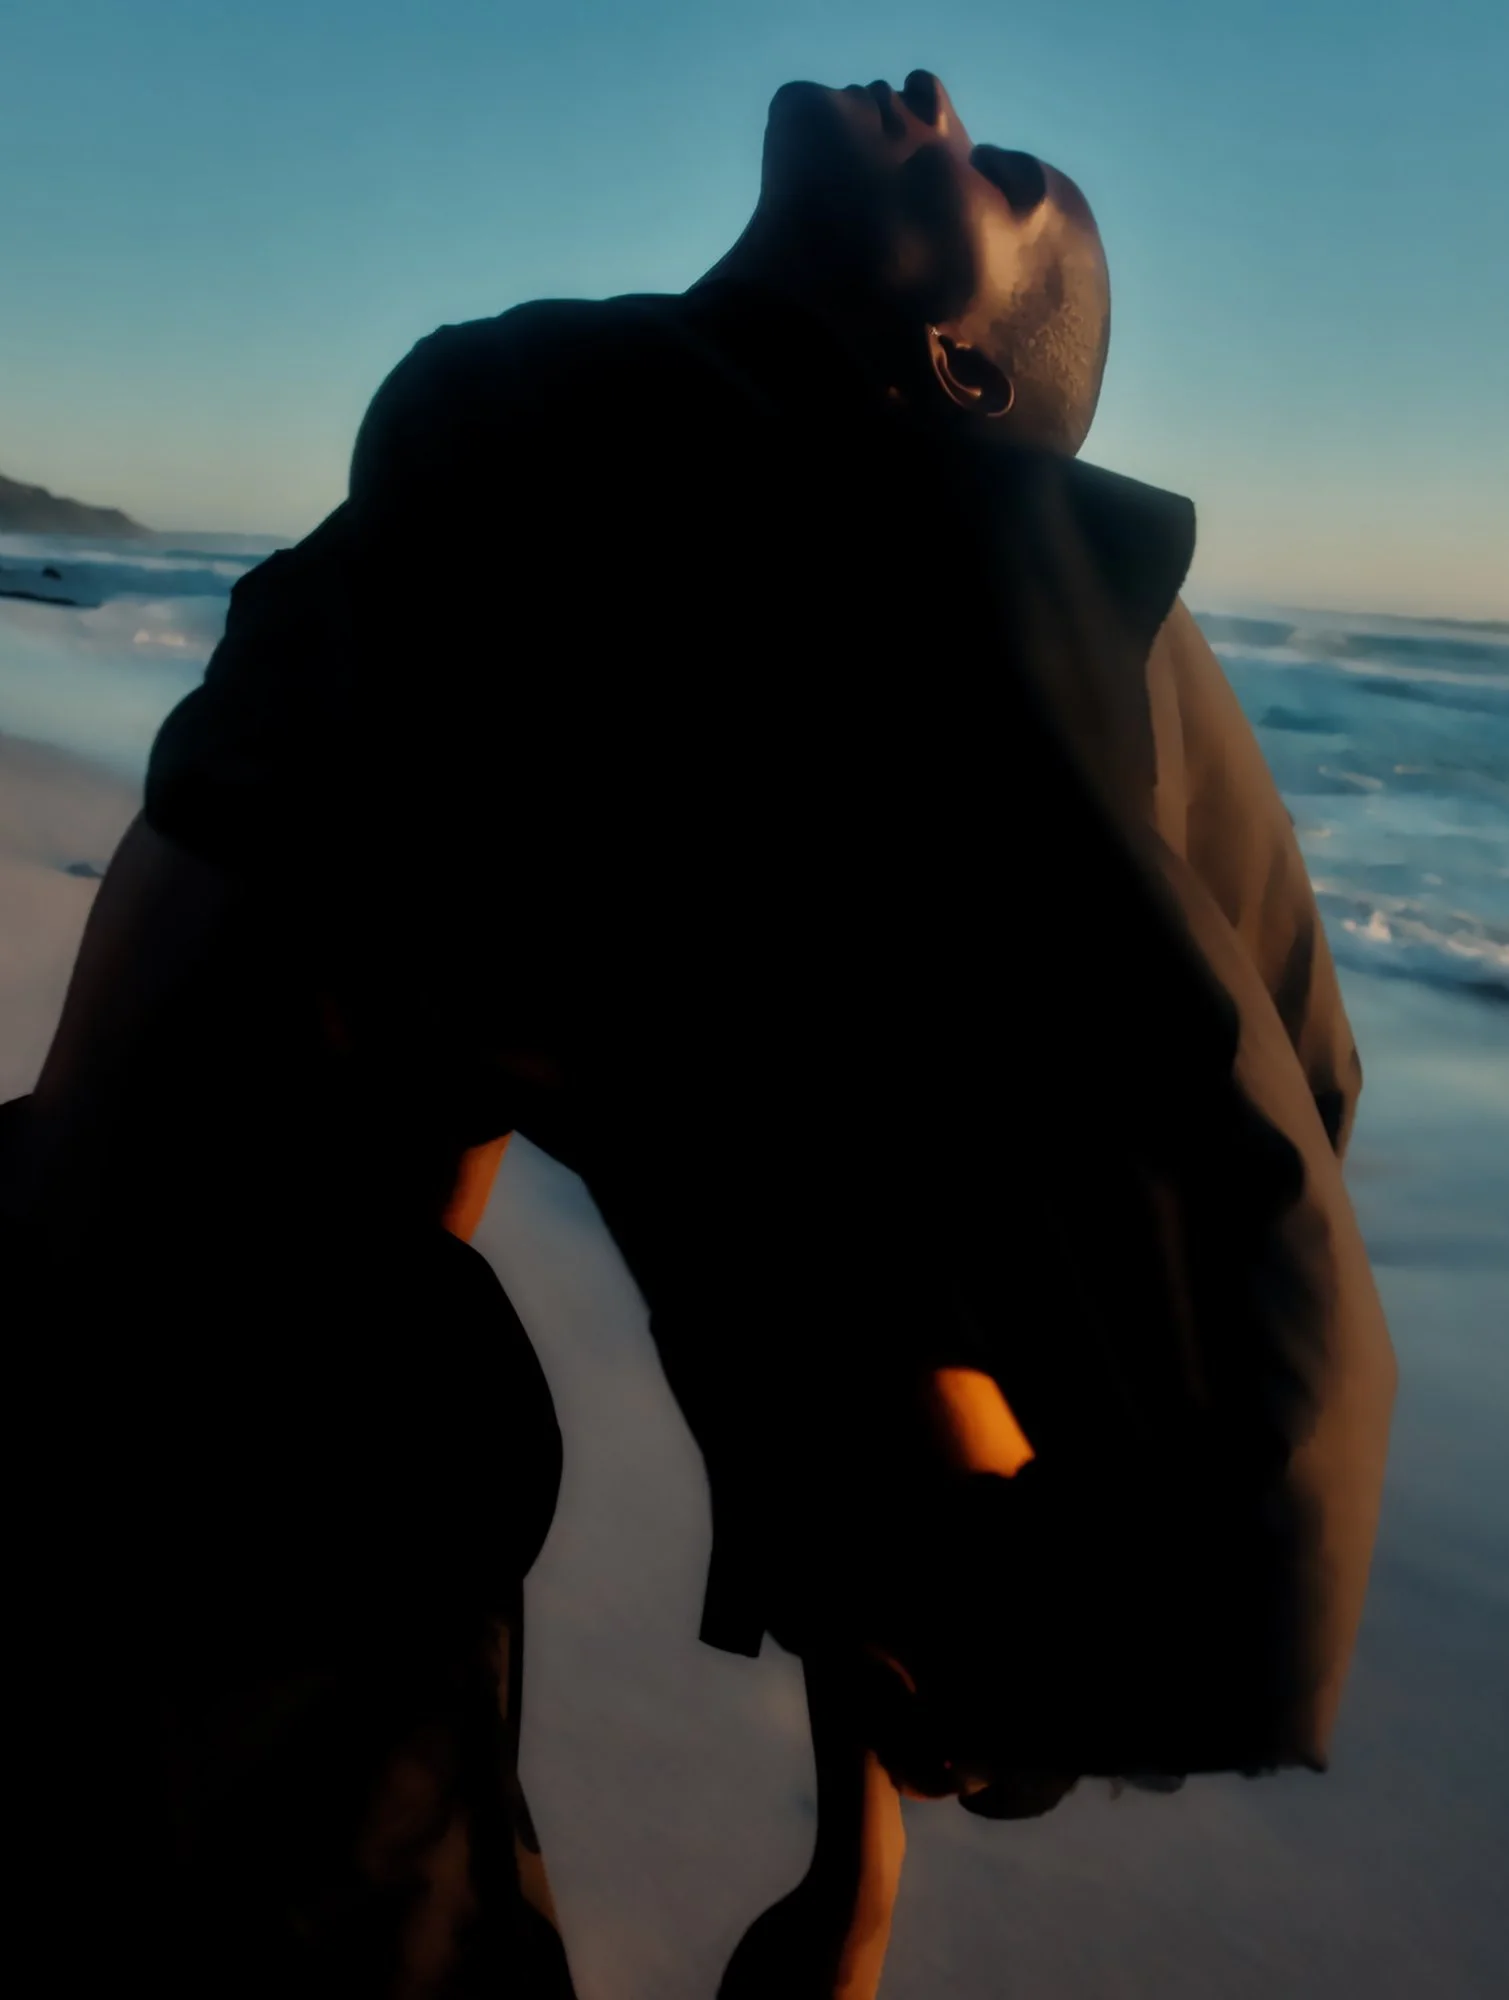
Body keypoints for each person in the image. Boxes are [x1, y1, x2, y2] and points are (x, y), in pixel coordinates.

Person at [0, 67, 1397, 2000]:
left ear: (954, 369)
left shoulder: (720, 552)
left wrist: (866, 1846)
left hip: (241, 1542)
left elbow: (790, 1213)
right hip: (133, 1425)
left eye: (1002, 178)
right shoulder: (637, 462)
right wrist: (854, 1865)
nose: (939, 97)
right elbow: (760, 1154)